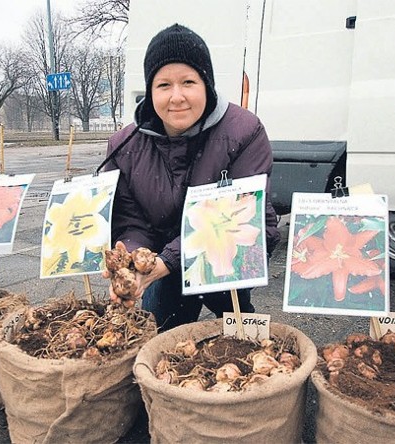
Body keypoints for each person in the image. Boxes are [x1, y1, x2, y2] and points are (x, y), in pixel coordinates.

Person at [97, 23, 279, 331]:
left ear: (206, 84)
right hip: (164, 259)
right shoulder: (124, 146)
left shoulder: (245, 131)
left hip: (226, 250)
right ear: (150, 90)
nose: (177, 96)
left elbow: (240, 215)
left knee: (238, 330)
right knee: (160, 336)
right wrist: (131, 259)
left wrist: (167, 260)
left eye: (188, 82)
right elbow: (131, 219)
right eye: (163, 85)